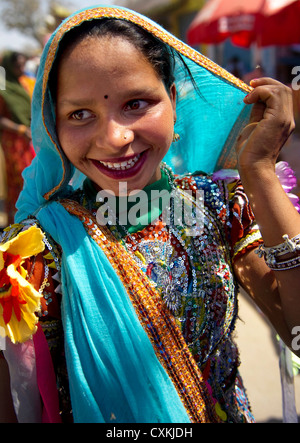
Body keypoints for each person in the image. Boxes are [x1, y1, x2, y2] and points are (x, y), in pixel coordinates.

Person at [0, 6, 299, 424]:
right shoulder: (35, 255)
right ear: (54, 127)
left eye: (136, 103)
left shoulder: (218, 204)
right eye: (80, 114)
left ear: (173, 101)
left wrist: (261, 171)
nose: (115, 137)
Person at [0, 51, 35, 224]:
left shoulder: (25, 84)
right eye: (18, 66)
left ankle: (30, 219)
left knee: (31, 177)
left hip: (29, 138)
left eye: (23, 64)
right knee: (18, 179)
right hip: (14, 141)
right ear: (9, 66)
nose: (22, 68)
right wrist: (21, 129)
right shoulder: (3, 87)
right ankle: (17, 222)